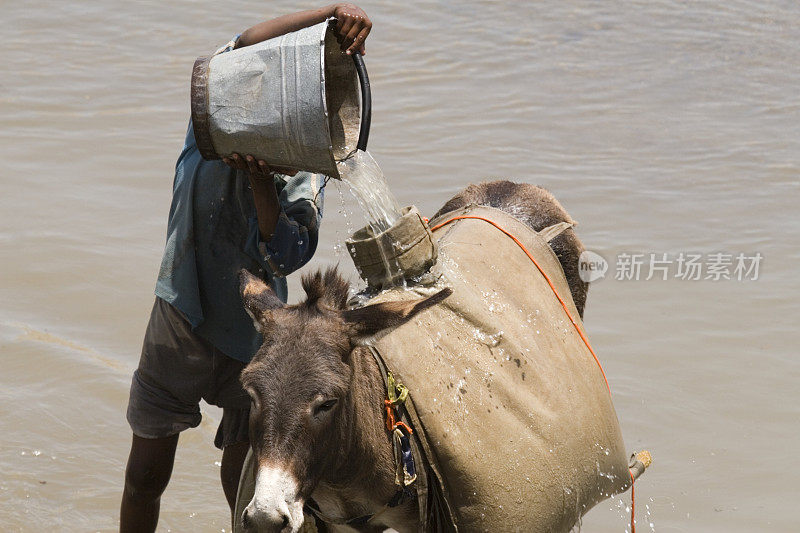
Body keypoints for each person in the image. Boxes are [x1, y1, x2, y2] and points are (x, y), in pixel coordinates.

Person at [120, 5, 373, 531]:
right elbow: (243, 43)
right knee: (145, 475)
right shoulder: (213, 122)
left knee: (244, 483)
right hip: (181, 313)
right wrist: (331, 15)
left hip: (255, 337)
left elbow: (287, 255)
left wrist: (263, 181)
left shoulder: (304, 176)